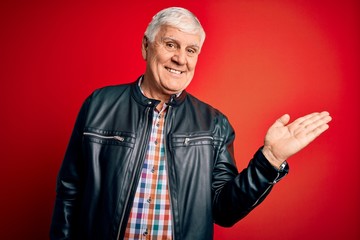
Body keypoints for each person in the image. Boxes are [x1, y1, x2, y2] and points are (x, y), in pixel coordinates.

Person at [50, 7, 332, 240]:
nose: (180, 59)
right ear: (146, 46)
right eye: (171, 44)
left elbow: (224, 211)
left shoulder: (214, 124)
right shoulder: (98, 105)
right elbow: (69, 192)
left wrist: (269, 160)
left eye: (191, 50)